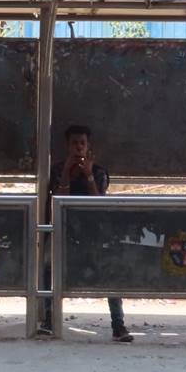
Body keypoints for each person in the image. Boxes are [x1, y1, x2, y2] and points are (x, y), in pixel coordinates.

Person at [46, 124, 132, 342]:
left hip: (94, 233)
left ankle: (118, 324)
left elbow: (98, 204)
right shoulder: (56, 171)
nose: (78, 148)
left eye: (82, 143)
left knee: (109, 273)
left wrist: (88, 176)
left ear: (88, 146)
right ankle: (48, 319)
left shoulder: (99, 172)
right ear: (67, 146)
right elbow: (57, 199)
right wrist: (67, 172)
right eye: (74, 143)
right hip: (65, 230)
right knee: (48, 266)